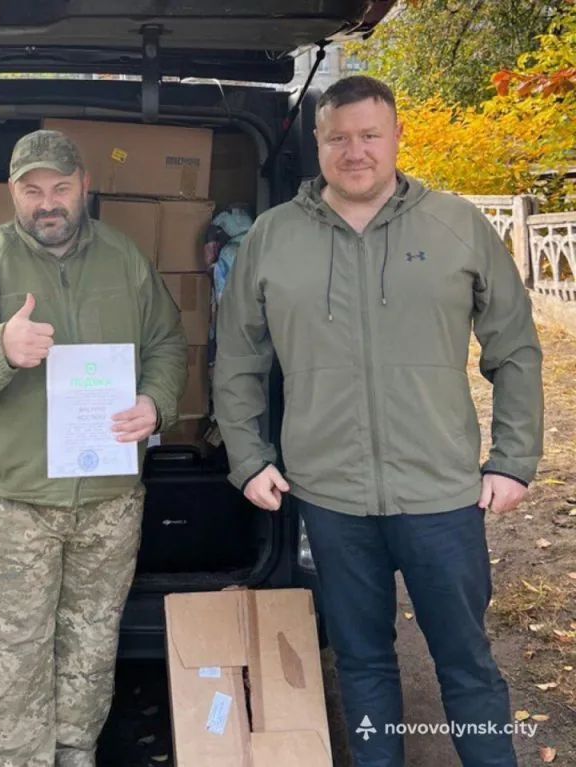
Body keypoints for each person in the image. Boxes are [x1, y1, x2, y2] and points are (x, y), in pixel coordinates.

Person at [213, 75, 543, 767]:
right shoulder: (273, 237)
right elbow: (238, 357)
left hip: (441, 493)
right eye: (338, 137)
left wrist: (513, 460)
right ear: (317, 143)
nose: (354, 151)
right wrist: (249, 456)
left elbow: (514, 348)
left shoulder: (456, 225)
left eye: (370, 135)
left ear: (396, 137)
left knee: (466, 662)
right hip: (330, 496)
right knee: (362, 661)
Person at [0, 129, 187, 766]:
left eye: (60, 187)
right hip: (14, 504)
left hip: (108, 504)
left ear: (84, 186)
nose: (47, 203)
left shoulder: (124, 259)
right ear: (13, 192)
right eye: (32, 189)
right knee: (13, 658)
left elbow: (167, 343)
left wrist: (155, 402)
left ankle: (74, 755)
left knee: (90, 652)